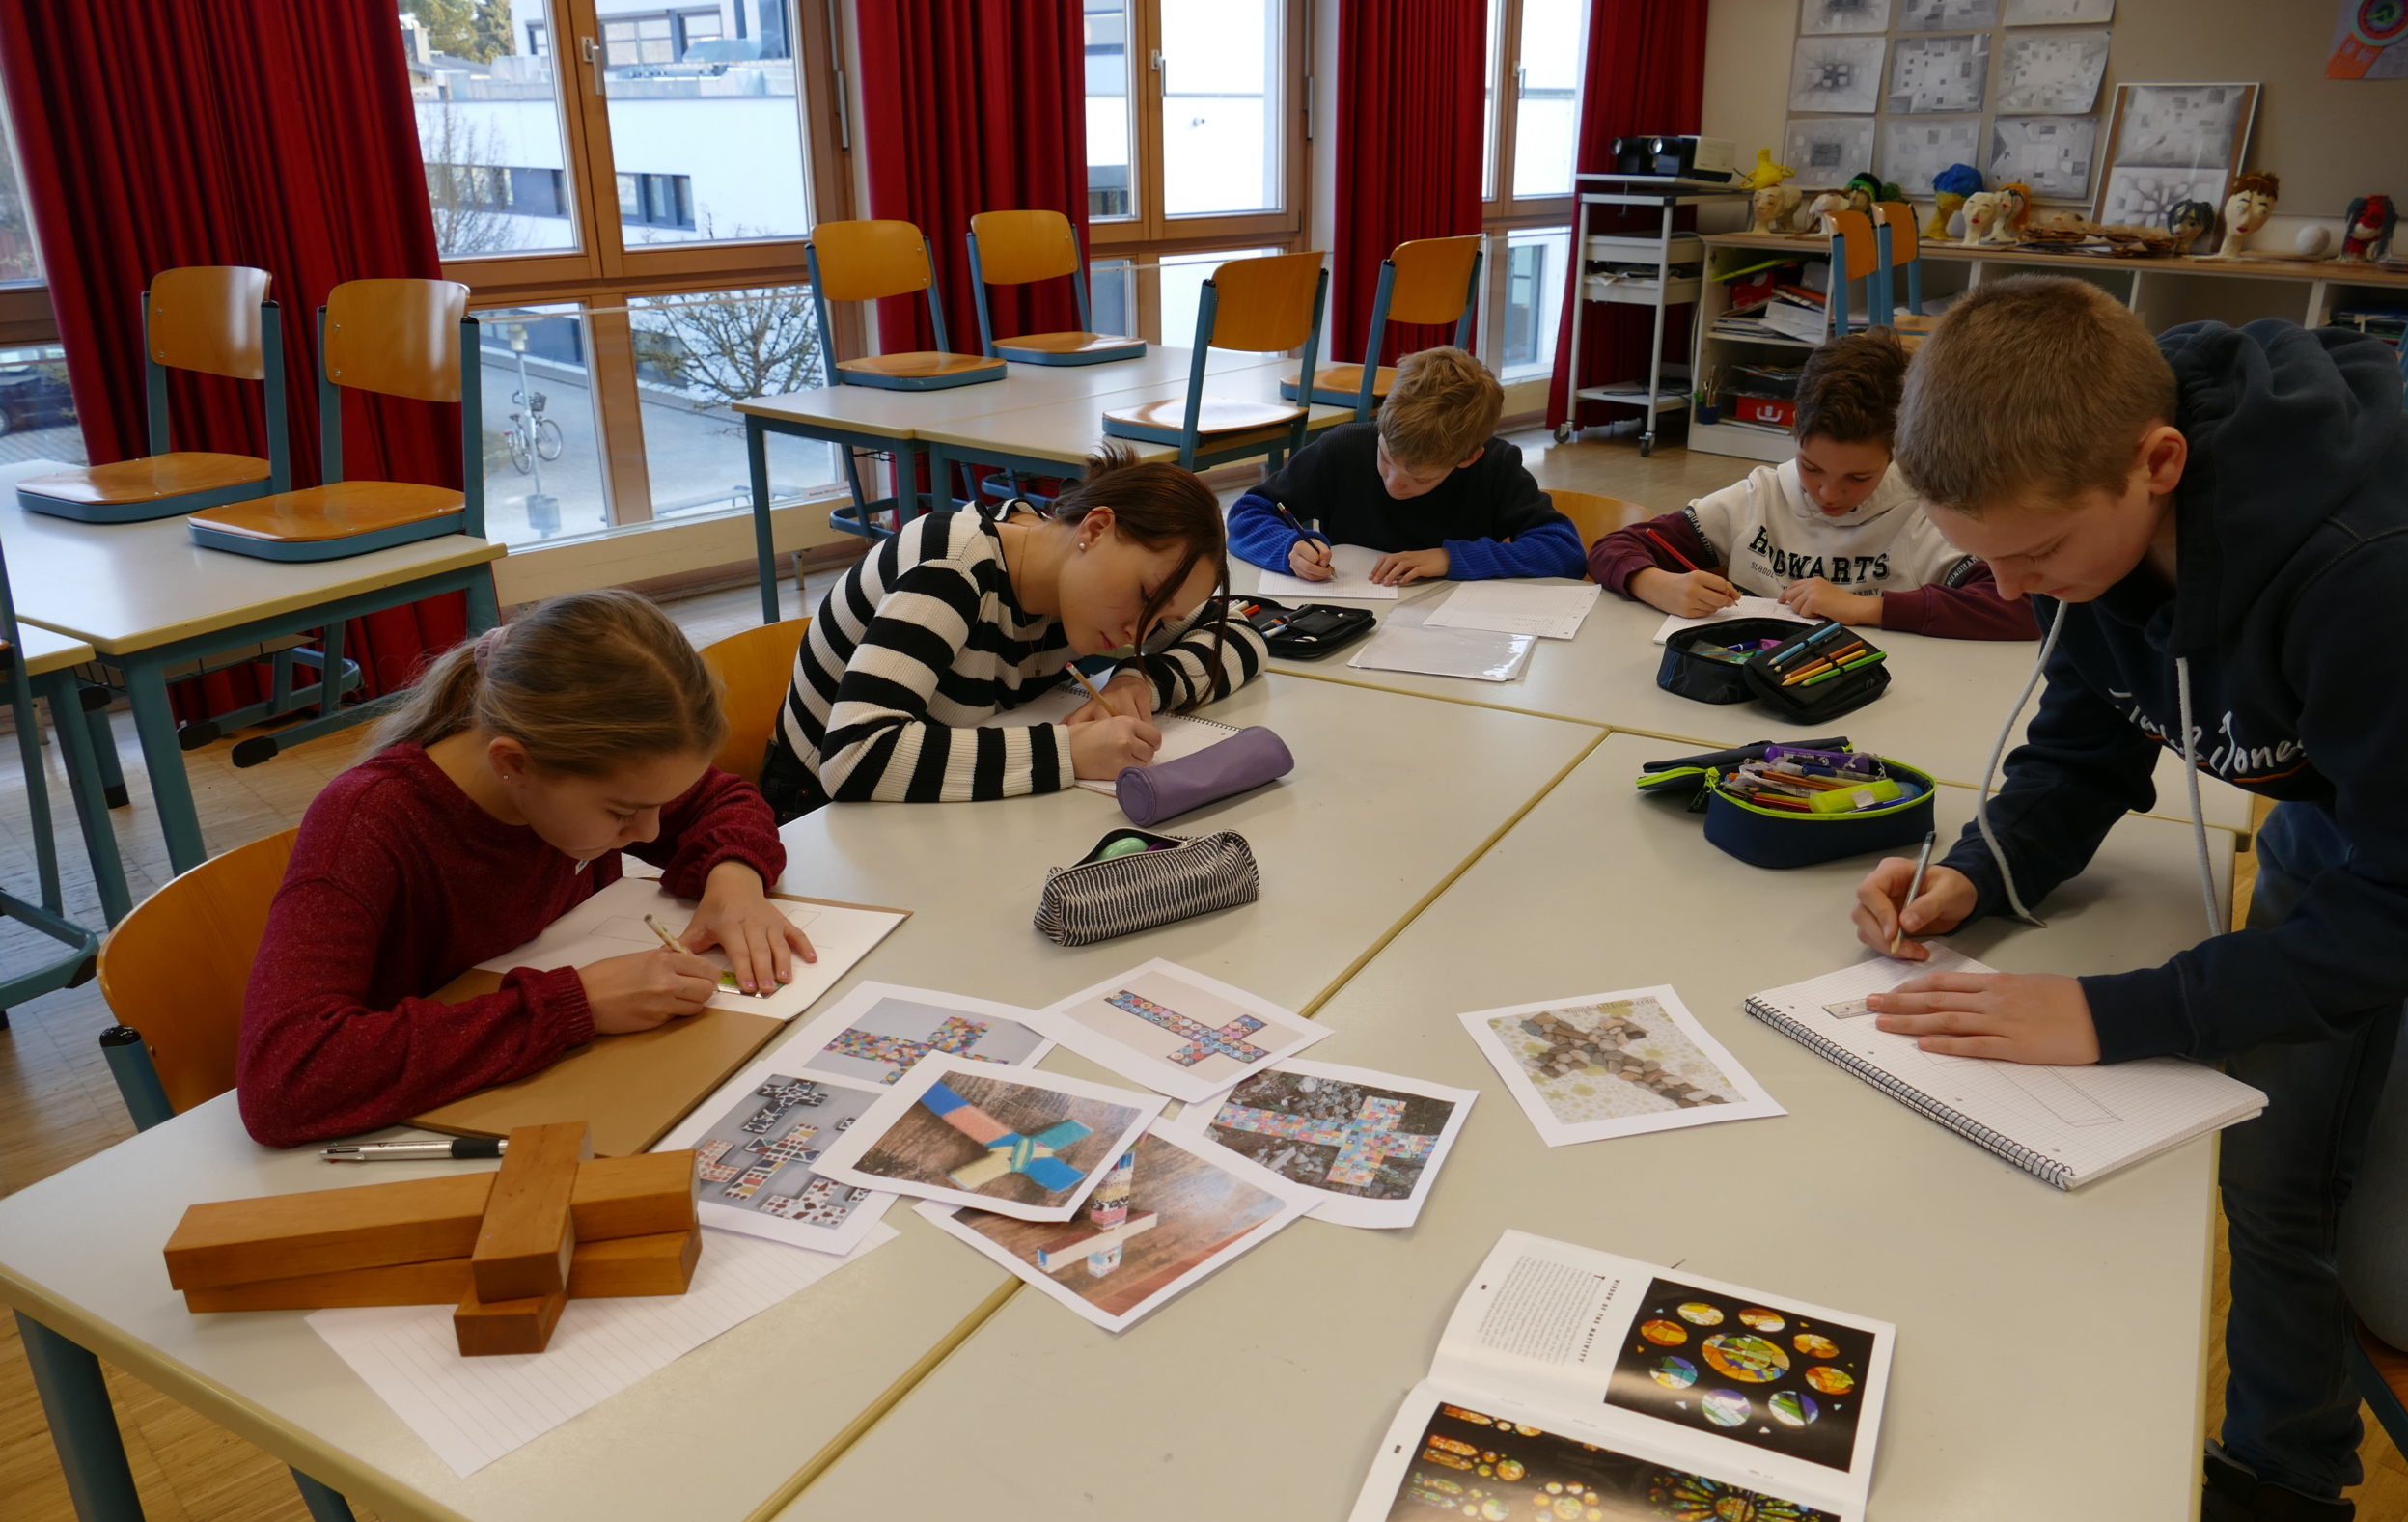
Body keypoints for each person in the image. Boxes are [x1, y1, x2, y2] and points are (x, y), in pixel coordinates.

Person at [1842, 274, 2408, 1522]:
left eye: (2038, 557)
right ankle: (2286, 1494)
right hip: (2347, 814)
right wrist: (1978, 870)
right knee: (2271, 1171)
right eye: (1982, 559)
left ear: (2161, 463)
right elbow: (2087, 733)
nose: (2012, 591)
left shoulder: (2376, 557)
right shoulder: (2082, 506)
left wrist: (2130, 1010)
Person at [238, 591, 809, 1148]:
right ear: (513, 764)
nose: (653, 833)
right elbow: (285, 1078)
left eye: (661, 804)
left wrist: (734, 876)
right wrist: (573, 1005)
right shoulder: (367, 824)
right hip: (431, 1140)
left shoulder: (589, 772)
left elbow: (719, 800)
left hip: (579, 1087)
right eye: (624, 813)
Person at [761, 446, 1262, 814]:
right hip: (815, 812)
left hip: (929, 800)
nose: (1140, 632)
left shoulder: (1075, 581)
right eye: (1144, 597)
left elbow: (1241, 634)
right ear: (1095, 528)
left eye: (1163, 620)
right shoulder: (953, 566)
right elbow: (855, 758)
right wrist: (1069, 752)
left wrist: (1141, 680)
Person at [1587, 328, 2034, 639]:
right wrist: (1654, 583)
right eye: (1812, 467)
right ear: (1795, 429)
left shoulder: (1924, 514)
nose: (1828, 494)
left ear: (1897, 444)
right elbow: (1611, 549)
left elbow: (2026, 609)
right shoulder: (1759, 496)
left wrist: (1867, 608)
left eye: (1858, 477)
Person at [1227, 345, 1583, 587]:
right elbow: (1249, 513)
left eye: (1420, 477)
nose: (1395, 483)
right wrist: (1288, 548)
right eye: (1385, 458)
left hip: (1455, 640)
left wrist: (1451, 558)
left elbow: (1564, 552)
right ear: (1381, 424)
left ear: (1467, 458)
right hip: (1354, 623)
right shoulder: (1346, 447)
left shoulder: (1494, 465)